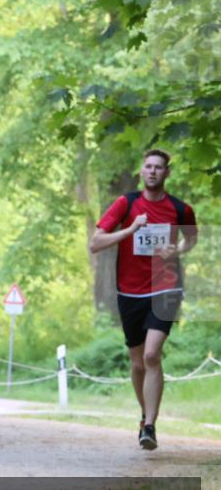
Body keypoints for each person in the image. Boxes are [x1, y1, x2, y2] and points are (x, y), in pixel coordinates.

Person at [89, 149, 197, 450]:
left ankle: (150, 426)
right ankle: (144, 415)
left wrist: (178, 250)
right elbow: (95, 243)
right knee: (137, 363)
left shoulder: (180, 209)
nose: (152, 171)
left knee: (151, 355)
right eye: (148, 166)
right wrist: (131, 229)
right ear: (141, 171)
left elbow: (191, 239)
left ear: (167, 173)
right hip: (130, 292)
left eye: (158, 167)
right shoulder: (126, 203)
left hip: (166, 288)